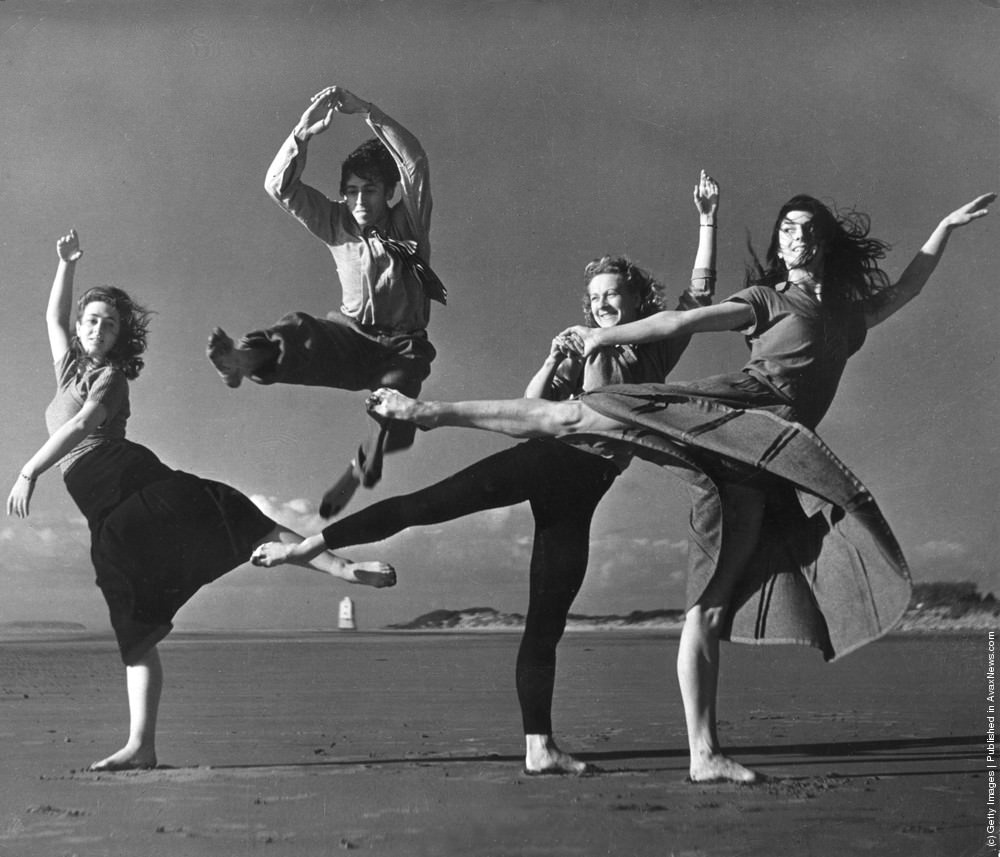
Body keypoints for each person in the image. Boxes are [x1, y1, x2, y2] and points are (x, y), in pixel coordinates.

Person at [359, 191, 994, 783]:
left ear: (824, 241)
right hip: (727, 413)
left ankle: (704, 754)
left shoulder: (847, 319)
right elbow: (677, 322)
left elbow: (906, 288)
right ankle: (428, 412)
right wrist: (603, 336)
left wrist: (944, 228)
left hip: (760, 462)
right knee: (581, 413)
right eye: (785, 230)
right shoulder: (766, 300)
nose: (794, 237)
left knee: (708, 610)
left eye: (805, 229)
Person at [251, 173, 722, 775]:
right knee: (426, 506)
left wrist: (707, 219)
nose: (605, 304)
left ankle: (539, 748)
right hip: (550, 458)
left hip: (585, 491)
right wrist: (553, 358)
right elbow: (529, 409)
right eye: (596, 297)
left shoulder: (651, 349)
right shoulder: (581, 351)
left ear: (636, 301)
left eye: (614, 295)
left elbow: (698, 298)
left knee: (546, 621)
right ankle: (306, 547)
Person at [7, 230, 396, 772]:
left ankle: (342, 568)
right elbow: (53, 318)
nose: (97, 329)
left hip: (128, 479)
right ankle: (141, 746)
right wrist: (66, 264)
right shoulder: (69, 370)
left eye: (109, 323)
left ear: (120, 337)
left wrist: (29, 470)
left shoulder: (111, 377)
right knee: (135, 627)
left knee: (230, 513)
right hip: (103, 511)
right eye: (91, 320)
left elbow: (80, 426)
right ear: (80, 327)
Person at [207, 85, 442, 518]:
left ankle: (361, 467)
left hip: (403, 346)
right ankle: (245, 359)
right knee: (301, 329)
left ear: (389, 192)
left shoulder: (408, 222)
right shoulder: (336, 221)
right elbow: (278, 187)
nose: (359, 201)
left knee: (393, 403)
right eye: (351, 191)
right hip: (351, 335)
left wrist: (367, 111)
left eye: (370, 191)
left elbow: (415, 163)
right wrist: (302, 133)